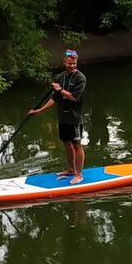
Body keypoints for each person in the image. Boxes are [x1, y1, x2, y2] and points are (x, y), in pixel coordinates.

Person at [29, 49, 87, 183]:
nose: (72, 66)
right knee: (66, 143)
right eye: (69, 63)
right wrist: (40, 110)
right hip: (63, 117)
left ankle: (79, 175)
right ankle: (70, 169)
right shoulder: (61, 77)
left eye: (74, 63)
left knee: (77, 144)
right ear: (64, 63)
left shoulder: (80, 78)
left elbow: (74, 97)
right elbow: (54, 98)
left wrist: (59, 89)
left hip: (74, 118)